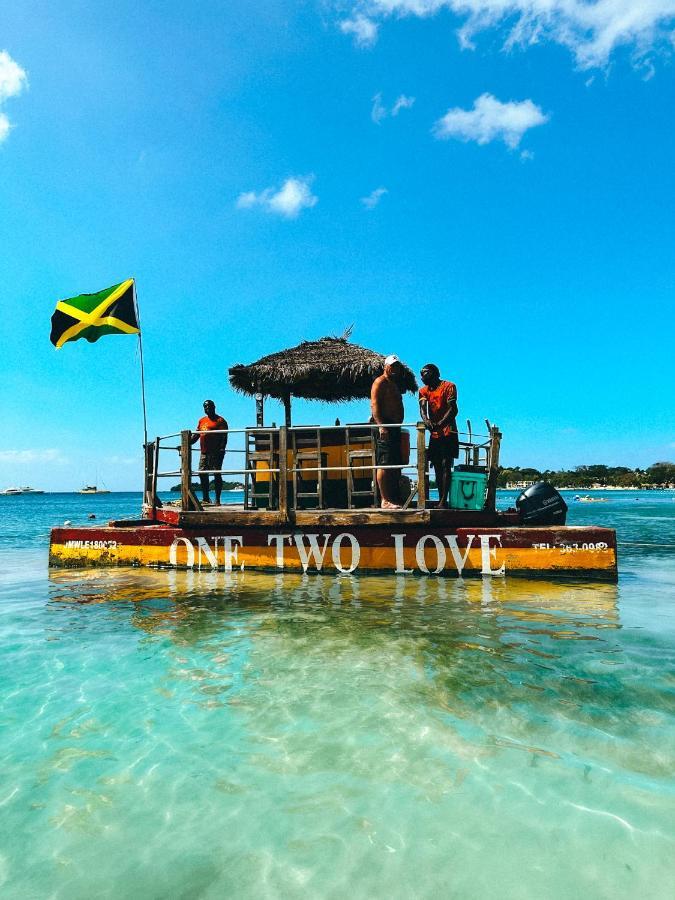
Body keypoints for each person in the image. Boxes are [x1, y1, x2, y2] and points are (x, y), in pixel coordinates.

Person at [419, 364, 458, 508]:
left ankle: (443, 500)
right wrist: (426, 421)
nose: (422, 377)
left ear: (435, 373)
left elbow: (453, 409)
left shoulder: (449, 386)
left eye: (425, 374)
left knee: (446, 464)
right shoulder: (423, 391)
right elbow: (423, 409)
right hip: (434, 432)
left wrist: (441, 423)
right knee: (436, 465)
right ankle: (441, 499)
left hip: (449, 430)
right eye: (421, 374)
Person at [371, 354, 405, 509]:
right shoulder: (380, 382)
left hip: (395, 427)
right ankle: (385, 499)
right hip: (385, 426)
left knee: (394, 463)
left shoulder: (394, 384)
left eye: (397, 366)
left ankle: (392, 497)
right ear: (385, 366)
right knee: (384, 463)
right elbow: (374, 405)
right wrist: (381, 425)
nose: (395, 368)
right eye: (392, 365)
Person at [191, 400, 228, 504]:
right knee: (202, 473)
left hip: (216, 452)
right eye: (205, 407)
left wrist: (222, 449)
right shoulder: (202, 421)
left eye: (209, 406)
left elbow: (224, 437)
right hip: (204, 452)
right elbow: (196, 435)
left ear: (214, 407)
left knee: (216, 474)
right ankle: (206, 498)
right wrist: (186, 443)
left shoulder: (220, 421)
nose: (207, 408)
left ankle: (217, 499)